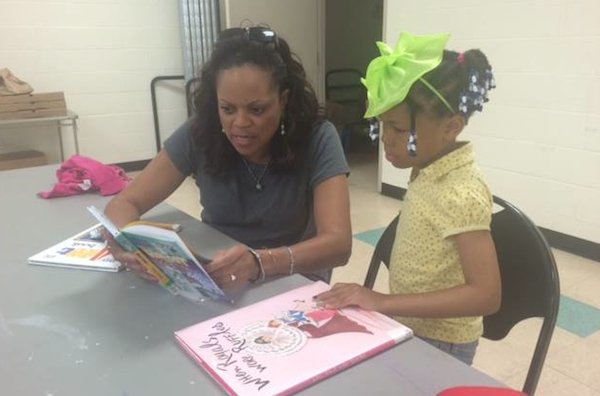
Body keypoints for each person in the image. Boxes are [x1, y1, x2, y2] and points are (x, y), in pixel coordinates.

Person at [105, 27, 352, 289]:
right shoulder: (200, 133)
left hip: (292, 278)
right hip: (218, 275)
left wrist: (258, 263)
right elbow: (125, 202)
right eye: (228, 108)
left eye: (257, 109)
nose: (240, 123)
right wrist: (128, 242)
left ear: (283, 100)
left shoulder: (318, 138)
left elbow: (338, 244)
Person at [316, 32, 501, 365]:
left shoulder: (462, 191)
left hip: (442, 343)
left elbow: (486, 295)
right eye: (383, 125)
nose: (386, 139)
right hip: (409, 324)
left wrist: (383, 302)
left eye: (399, 130)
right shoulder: (428, 167)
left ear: (450, 127)